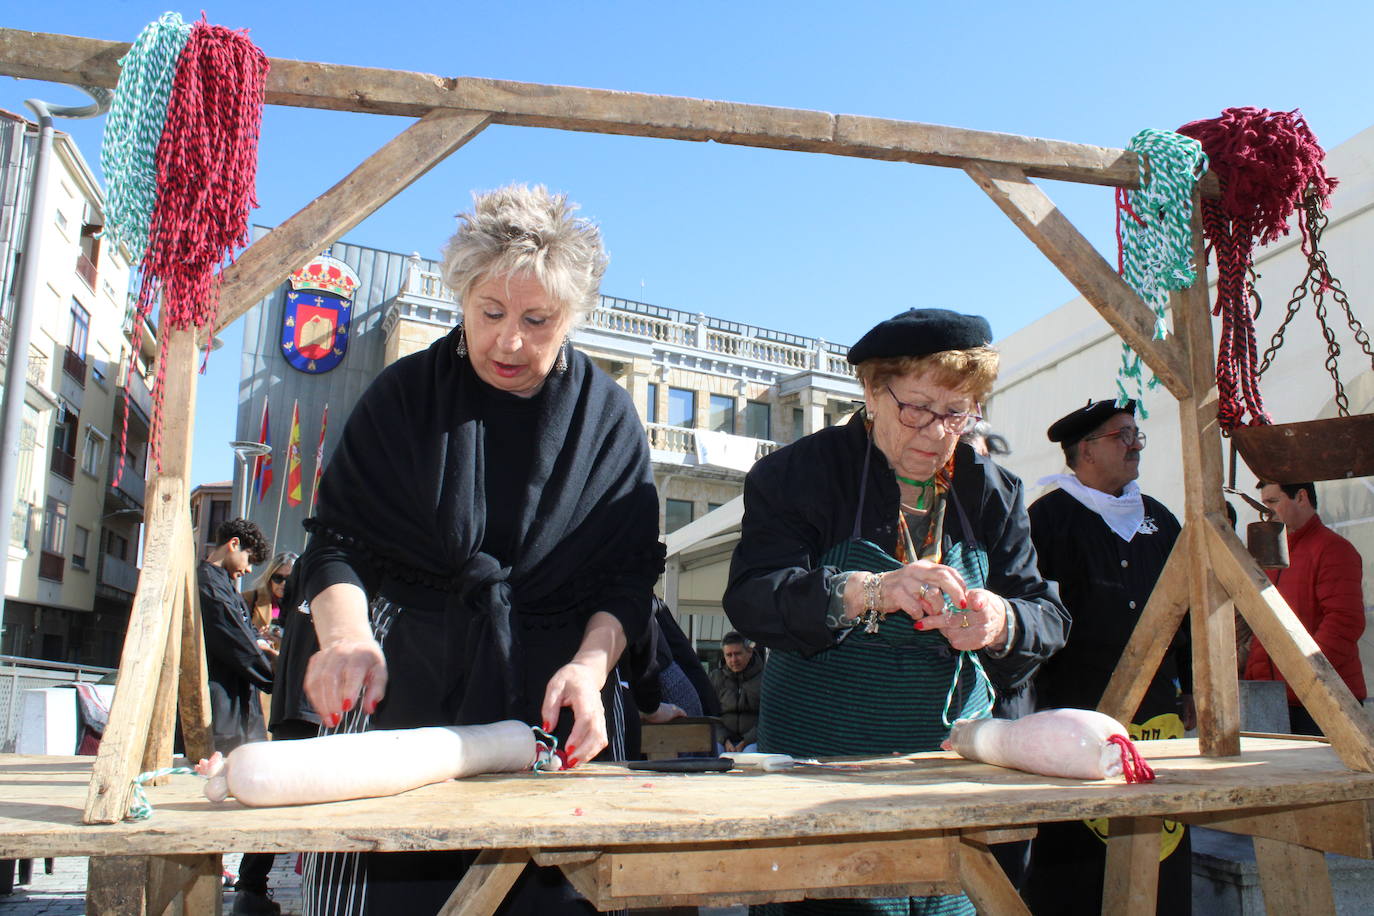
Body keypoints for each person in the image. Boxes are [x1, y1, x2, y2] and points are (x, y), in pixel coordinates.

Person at [296, 184, 663, 915]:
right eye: (491, 313)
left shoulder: (612, 420)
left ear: (575, 317)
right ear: (460, 295)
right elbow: (337, 542)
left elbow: (628, 579)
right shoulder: (403, 397)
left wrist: (592, 672)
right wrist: (345, 639)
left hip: (564, 702)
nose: (510, 341)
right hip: (404, 689)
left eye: (538, 320)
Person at [724, 307, 1069, 916]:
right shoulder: (797, 475)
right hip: (822, 786)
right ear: (870, 391)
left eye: (956, 414)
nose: (936, 434)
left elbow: (1046, 611)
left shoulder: (992, 490)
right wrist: (867, 592)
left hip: (956, 786)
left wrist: (1000, 621)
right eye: (916, 408)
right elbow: (753, 597)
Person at [1022, 398, 1192, 916]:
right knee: (1077, 872)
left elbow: (1189, 608)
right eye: (1122, 435)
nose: (1136, 444)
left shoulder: (1160, 521)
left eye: (1136, 434)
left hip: (1157, 717)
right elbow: (1031, 618)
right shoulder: (1046, 520)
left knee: (1162, 863)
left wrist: (1199, 687)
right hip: (1074, 721)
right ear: (1086, 451)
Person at [198, 518, 279, 916]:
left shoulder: (221, 584)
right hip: (225, 707)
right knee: (233, 795)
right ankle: (241, 889)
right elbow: (236, 642)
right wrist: (276, 676)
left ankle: (247, 889)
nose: (248, 569)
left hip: (238, 705)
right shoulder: (209, 583)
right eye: (248, 559)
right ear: (233, 544)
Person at [1245, 480, 1366, 735]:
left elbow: (1344, 622)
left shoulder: (1333, 550)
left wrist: (1307, 676)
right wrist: (1254, 673)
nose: (1267, 511)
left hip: (1324, 700)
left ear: (1301, 497)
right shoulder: (1274, 552)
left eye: (1273, 502)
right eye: (1264, 503)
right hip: (1274, 697)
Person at [709, 631, 763, 752]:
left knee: (750, 754)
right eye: (729, 655)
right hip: (723, 740)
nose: (734, 659)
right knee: (714, 752)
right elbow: (711, 714)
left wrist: (746, 741)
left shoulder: (764, 679)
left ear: (749, 652)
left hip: (753, 741)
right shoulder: (715, 678)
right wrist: (724, 740)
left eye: (738, 654)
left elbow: (766, 718)